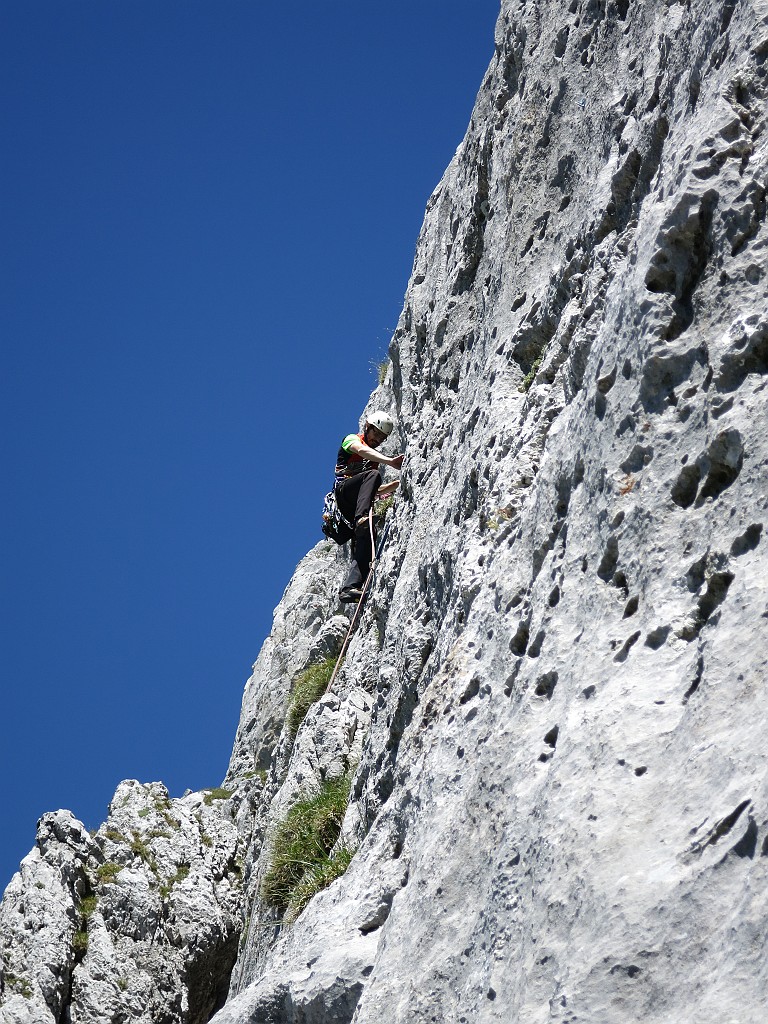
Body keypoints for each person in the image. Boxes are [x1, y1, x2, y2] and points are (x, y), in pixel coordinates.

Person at [335, 411, 404, 603]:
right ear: (367, 427)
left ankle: (351, 588)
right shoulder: (351, 440)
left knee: (366, 536)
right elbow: (361, 450)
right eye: (377, 433)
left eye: (383, 437)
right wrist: (389, 461)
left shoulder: (373, 463)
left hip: (356, 505)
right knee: (372, 476)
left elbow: (372, 489)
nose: (378, 439)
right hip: (344, 493)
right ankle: (361, 519)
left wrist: (398, 484)